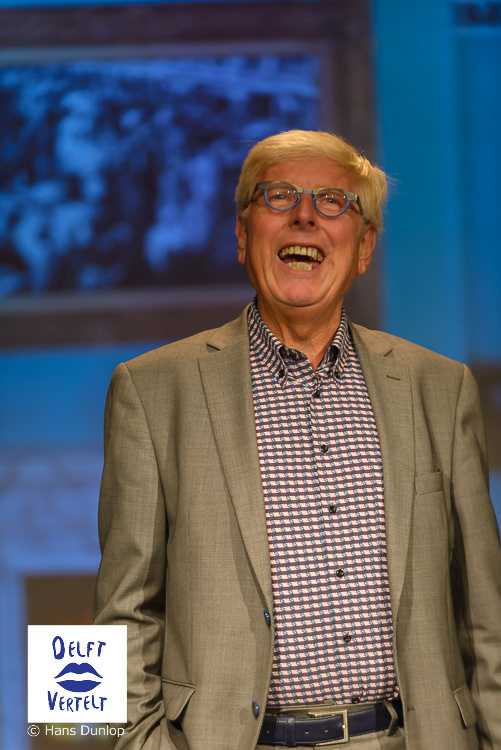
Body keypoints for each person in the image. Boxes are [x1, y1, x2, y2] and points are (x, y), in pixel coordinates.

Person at [93, 130, 501, 750]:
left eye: (333, 202)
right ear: (241, 235)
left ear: (364, 248)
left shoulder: (441, 388)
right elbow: (119, 618)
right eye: (278, 197)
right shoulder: (149, 389)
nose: (305, 215)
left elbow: (488, 619)